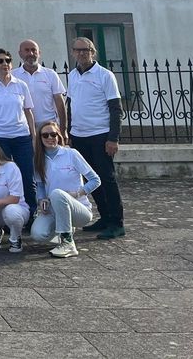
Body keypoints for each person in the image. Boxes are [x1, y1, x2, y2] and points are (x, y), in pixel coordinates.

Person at [66, 37, 126, 239]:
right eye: (78, 50)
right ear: (73, 52)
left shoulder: (105, 75)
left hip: (100, 135)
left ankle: (117, 223)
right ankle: (105, 217)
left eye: (86, 50)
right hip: (79, 135)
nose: (82, 53)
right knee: (92, 179)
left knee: (107, 179)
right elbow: (71, 105)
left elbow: (115, 109)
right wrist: (69, 132)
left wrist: (113, 138)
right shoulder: (73, 75)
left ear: (93, 52)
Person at [0, 47, 37, 216]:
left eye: (8, 61)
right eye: (0, 61)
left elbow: (28, 112)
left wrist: (33, 137)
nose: (5, 64)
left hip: (21, 137)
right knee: (2, 177)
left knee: (27, 176)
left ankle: (32, 212)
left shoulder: (21, 85)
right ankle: (4, 213)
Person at [30, 120, 101, 258]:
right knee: (38, 234)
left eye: (53, 134)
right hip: (54, 210)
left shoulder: (71, 154)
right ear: (40, 138)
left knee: (57, 193)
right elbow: (40, 186)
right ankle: (64, 230)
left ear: (59, 136)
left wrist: (77, 193)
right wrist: (41, 200)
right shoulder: (38, 159)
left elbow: (95, 180)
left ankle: (68, 244)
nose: (50, 138)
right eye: (45, 135)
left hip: (79, 209)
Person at [13, 39, 67, 130]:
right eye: (27, 50)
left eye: (34, 50)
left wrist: (63, 128)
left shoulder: (50, 74)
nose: (31, 53)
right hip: (23, 127)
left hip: (48, 127)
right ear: (20, 54)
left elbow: (60, 103)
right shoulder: (13, 76)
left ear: (39, 53)